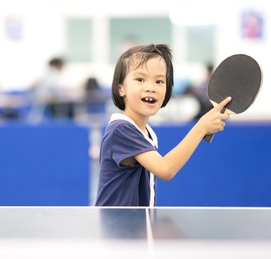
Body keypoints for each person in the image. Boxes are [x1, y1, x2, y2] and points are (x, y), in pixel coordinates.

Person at [95, 44, 231, 207]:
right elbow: (165, 170)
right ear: (121, 88)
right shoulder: (121, 129)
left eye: (159, 81)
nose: (151, 88)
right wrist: (201, 128)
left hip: (133, 227)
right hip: (116, 229)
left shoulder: (145, 132)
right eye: (140, 79)